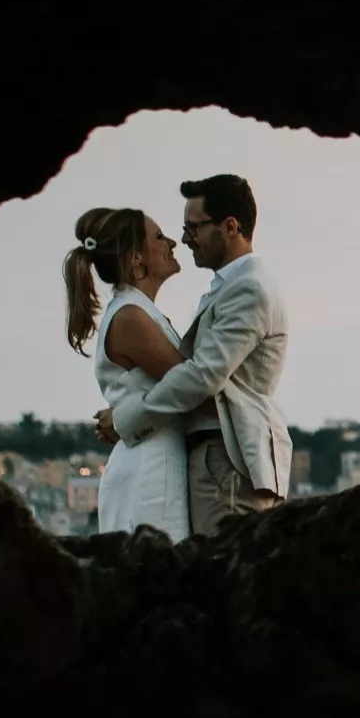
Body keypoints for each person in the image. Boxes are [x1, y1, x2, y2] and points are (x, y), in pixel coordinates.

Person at [103, 173, 289, 530]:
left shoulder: (248, 289)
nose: (186, 239)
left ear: (230, 227)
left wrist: (127, 417)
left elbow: (202, 376)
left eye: (194, 227)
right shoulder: (238, 286)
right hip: (221, 458)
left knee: (219, 562)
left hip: (224, 458)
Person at [61, 205, 190, 537]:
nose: (172, 243)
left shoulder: (137, 311)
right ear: (136, 260)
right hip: (151, 472)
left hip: (153, 465)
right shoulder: (131, 317)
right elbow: (190, 387)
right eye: (159, 237)